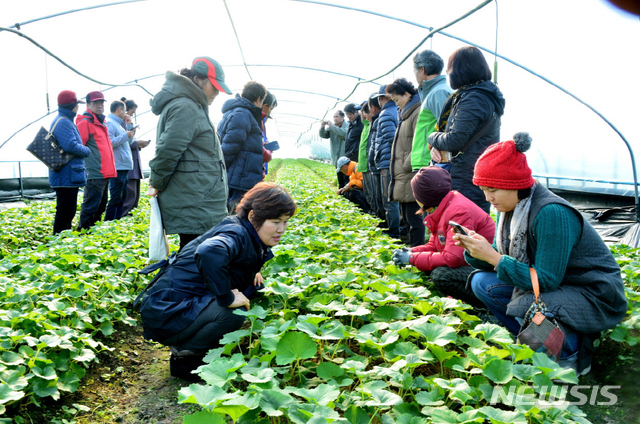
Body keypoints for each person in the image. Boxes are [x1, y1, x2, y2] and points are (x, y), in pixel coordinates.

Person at [456, 133, 627, 375]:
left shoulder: (551, 213)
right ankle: (532, 341)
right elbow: (502, 258)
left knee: (531, 305)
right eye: (483, 189)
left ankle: (571, 355)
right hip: (560, 286)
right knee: (480, 281)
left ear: (513, 184)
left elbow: (545, 280)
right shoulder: (510, 210)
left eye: (492, 189)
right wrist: (475, 250)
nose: (487, 198)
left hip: (592, 292)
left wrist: (494, 258)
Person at [138, 182, 297, 381]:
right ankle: (185, 357)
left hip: (174, 306)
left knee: (252, 286)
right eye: (275, 222)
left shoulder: (241, 228)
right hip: (166, 313)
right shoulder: (236, 233)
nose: (281, 229)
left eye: (285, 222)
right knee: (233, 312)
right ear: (252, 216)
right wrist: (226, 296)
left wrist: (252, 271)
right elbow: (209, 251)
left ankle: (203, 345)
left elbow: (232, 260)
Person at [148, 56, 232, 251]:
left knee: (196, 256)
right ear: (198, 80)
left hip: (198, 199)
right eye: (214, 86)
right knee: (194, 258)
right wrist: (157, 182)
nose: (218, 92)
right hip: (195, 202)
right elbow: (167, 150)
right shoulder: (186, 107)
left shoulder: (191, 105)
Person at [392, 166, 495, 307]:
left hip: (486, 269)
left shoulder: (458, 211)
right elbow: (435, 246)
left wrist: (412, 259)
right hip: (472, 263)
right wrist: (412, 252)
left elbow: (454, 258)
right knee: (431, 265)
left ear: (422, 197)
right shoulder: (445, 204)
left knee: (441, 275)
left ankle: (483, 306)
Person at [428, 46, 506, 213]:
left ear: (460, 70)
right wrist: (437, 145)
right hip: (469, 173)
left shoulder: (475, 98)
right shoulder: (477, 94)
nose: (449, 73)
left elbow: (455, 139)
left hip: (466, 177)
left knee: (463, 229)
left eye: (450, 69)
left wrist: (432, 137)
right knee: (463, 229)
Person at [386, 78, 425, 247]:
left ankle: (416, 255)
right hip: (403, 172)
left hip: (410, 171)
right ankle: (411, 253)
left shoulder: (417, 112)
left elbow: (420, 142)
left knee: (415, 219)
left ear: (407, 94)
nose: (396, 104)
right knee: (407, 218)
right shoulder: (404, 114)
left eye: (397, 99)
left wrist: (406, 163)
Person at [219, 81, 268, 212]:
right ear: (258, 99)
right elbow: (229, 148)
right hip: (239, 180)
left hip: (238, 177)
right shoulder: (242, 114)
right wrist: (224, 171)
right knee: (236, 216)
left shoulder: (239, 112)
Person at [48, 90, 91, 234]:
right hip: (65, 174)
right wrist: (86, 150)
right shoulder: (64, 122)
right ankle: (58, 241)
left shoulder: (64, 120)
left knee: (68, 210)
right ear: (73, 106)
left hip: (67, 174)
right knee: (65, 211)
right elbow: (70, 146)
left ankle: (62, 239)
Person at [76, 91, 117, 230]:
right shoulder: (85, 122)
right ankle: (83, 234)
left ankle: (93, 233)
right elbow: (79, 147)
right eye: (95, 103)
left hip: (104, 172)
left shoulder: (101, 121)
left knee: (100, 205)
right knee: (91, 206)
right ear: (88, 104)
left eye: (101, 102)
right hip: (94, 172)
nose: (100, 105)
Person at [412, 49, 452, 170]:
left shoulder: (439, 92)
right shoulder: (433, 92)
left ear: (422, 69)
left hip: (432, 162)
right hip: (427, 161)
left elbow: (448, 129)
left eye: (415, 71)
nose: (415, 76)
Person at [370, 85, 400, 239]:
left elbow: (392, 138)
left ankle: (393, 234)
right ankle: (399, 230)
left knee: (389, 200)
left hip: (387, 163)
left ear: (383, 98)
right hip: (394, 161)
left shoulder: (385, 114)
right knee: (396, 199)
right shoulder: (397, 111)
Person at [105, 100, 136, 221]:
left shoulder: (119, 124)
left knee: (121, 197)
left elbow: (129, 142)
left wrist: (128, 127)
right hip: (117, 165)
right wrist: (126, 135)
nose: (126, 113)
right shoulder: (110, 123)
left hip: (123, 165)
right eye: (124, 110)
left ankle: (116, 221)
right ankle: (109, 222)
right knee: (116, 197)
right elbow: (110, 143)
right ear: (119, 110)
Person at [120, 98, 150, 217]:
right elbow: (121, 141)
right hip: (128, 163)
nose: (132, 115)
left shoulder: (128, 123)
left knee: (134, 196)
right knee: (129, 196)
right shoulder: (119, 124)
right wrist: (136, 143)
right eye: (131, 112)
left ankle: (129, 218)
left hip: (134, 161)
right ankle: (124, 218)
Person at [356, 101, 376, 217]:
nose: (361, 114)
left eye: (363, 111)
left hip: (369, 165)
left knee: (373, 194)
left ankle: (375, 215)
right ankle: (372, 213)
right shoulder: (365, 125)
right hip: (364, 165)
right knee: (368, 193)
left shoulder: (370, 125)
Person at [319, 110, 348, 187]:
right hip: (336, 157)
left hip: (345, 158)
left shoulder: (347, 126)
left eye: (337, 117)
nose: (335, 119)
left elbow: (343, 134)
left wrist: (332, 127)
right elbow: (324, 135)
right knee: (340, 179)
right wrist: (322, 127)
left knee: (346, 179)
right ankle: (342, 195)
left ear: (342, 117)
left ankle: (347, 195)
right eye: (334, 117)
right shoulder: (332, 127)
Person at [261, 91, 278, 177]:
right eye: (270, 108)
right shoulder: (253, 121)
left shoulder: (261, 121)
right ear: (264, 106)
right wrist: (267, 152)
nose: (269, 112)